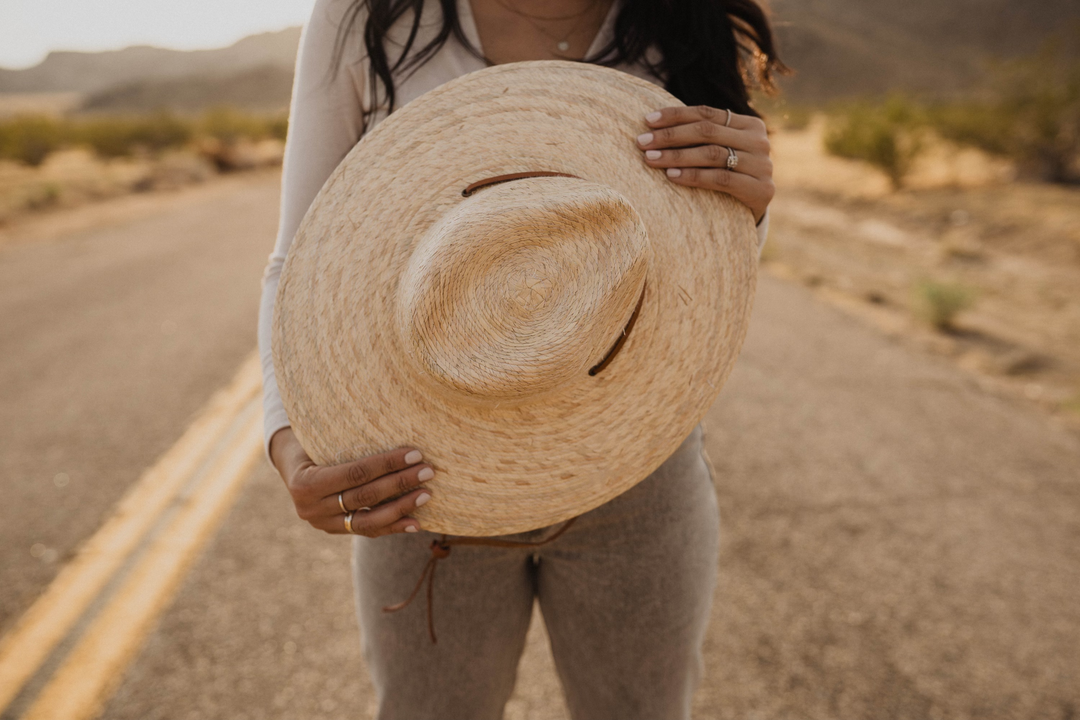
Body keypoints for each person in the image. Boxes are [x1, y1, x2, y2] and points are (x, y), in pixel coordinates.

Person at [258, 0, 786, 717]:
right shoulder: (366, 18)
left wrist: (748, 210)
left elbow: (704, 263)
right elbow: (297, 261)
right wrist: (289, 440)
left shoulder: (685, 19)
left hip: (637, 475)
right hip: (418, 482)